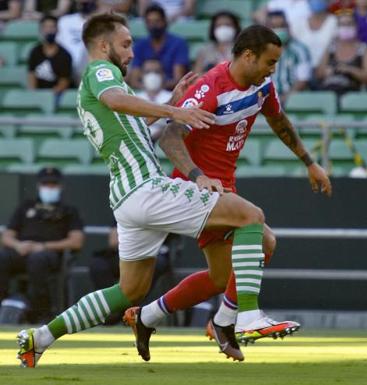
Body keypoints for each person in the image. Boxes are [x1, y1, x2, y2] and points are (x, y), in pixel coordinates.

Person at [15, 12, 271, 369]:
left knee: (128, 291)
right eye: (125, 43)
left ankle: (40, 337)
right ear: (103, 46)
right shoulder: (101, 72)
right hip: (146, 187)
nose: (132, 52)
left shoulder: (102, 85)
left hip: (125, 198)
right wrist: (174, 111)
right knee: (250, 217)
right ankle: (243, 317)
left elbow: (130, 123)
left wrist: (171, 100)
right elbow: (116, 101)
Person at [122, 24, 332, 363]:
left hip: (224, 188)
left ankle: (146, 317)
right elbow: (169, 138)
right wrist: (198, 176)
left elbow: (279, 120)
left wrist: (309, 162)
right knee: (263, 239)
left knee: (221, 277)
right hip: (197, 189)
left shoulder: (262, 86)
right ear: (248, 55)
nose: (272, 69)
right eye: (270, 61)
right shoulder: (210, 88)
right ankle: (237, 319)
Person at [0, 167, 84, 324]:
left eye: (53, 184)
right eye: (46, 184)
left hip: (49, 254)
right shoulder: (26, 206)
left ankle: (40, 313)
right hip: (22, 250)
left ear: (60, 186)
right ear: (39, 185)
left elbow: (76, 241)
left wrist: (44, 246)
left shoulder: (68, 211)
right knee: (2, 257)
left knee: (37, 260)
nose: (49, 188)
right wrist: (18, 245)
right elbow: (7, 236)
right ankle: (6, 306)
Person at [129, 3, 189, 90]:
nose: (153, 26)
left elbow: (178, 79)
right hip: (145, 94)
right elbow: (134, 80)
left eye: (157, 21)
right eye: (149, 22)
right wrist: (151, 91)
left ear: (164, 22)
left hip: (170, 92)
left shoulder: (178, 44)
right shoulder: (140, 45)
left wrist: (156, 89)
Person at [316, 10, 367, 95]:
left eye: (349, 24)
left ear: (356, 26)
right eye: (342, 24)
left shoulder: (364, 50)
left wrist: (350, 70)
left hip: (353, 93)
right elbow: (319, 73)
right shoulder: (331, 48)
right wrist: (328, 71)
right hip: (328, 90)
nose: (346, 27)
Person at [267, 10, 312, 101]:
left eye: (282, 26)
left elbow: (303, 80)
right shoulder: (258, 51)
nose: (279, 30)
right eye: (274, 27)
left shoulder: (300, 49)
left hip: (292, 98)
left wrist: (285, 98)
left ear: (288, 27)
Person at [56, 0, 100, 83]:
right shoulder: (64, 21)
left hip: (91, 66)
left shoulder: (102, 21)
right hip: (68, 66)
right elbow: (57, 46)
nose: (84, 4)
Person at [28, 15, 73, 96]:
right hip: (38, 94)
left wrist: (50, 96)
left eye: (52, 27)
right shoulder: (35, 51)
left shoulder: (65, 55)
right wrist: (33, 94)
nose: (49, 30)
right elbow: (32, 74)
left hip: (56, 95)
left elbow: (64, 80)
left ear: (57, 30)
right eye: (45, 27)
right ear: (41, 30)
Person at [291, 0, 338, 68]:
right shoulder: (299, 23)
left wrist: (322, 67)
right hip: (301, 71)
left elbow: (335, 48)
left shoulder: (334, 22)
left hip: (325, 70)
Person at [135, 59, 172, 141]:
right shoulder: (134, 98)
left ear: (163, 74)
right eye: (148, 72)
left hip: (164, 140)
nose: (152, 76)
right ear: (141, 75)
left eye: (156, 72)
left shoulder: (171, 97)